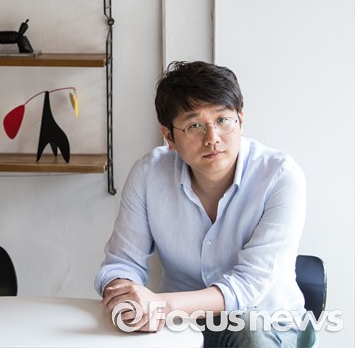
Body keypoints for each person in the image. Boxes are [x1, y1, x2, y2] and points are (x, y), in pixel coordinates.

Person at [95, 61, 310, 347]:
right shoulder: (149, 174)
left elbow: (248, 286)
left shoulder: (280, 177)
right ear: (169, 136)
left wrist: (161, 305)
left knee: (249, 330)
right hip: (181, 325)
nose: (212, 139)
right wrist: (125, 295)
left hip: (268, 324)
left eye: (222, 120)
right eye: (194, 125)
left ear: (240, 120)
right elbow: (122, 262)